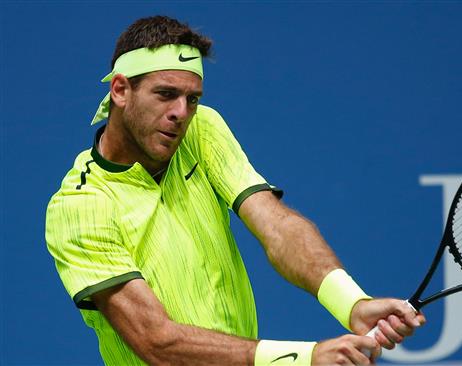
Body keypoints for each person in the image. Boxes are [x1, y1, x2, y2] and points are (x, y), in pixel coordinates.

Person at [45, 15, 425, 365]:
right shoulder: (79, 207)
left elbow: (276, 227)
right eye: (165, 94)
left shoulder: (201, 130)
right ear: (120, 90)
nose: (181, 112)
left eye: (192, 99)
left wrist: (352, 303)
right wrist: (307, 357)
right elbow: (156, 341)